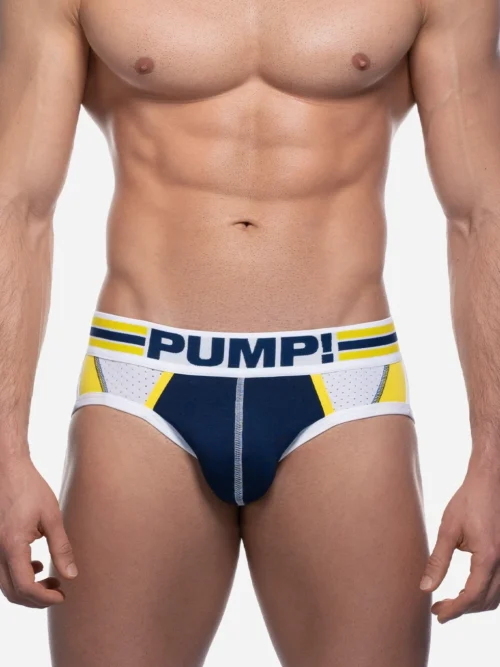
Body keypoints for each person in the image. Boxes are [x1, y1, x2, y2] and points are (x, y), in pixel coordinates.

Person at [1, 0, 500, 664]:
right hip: (140, 380)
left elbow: (482, 213)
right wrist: (5, 451)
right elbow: (17, 206)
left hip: (344, 382)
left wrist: (493, 461)